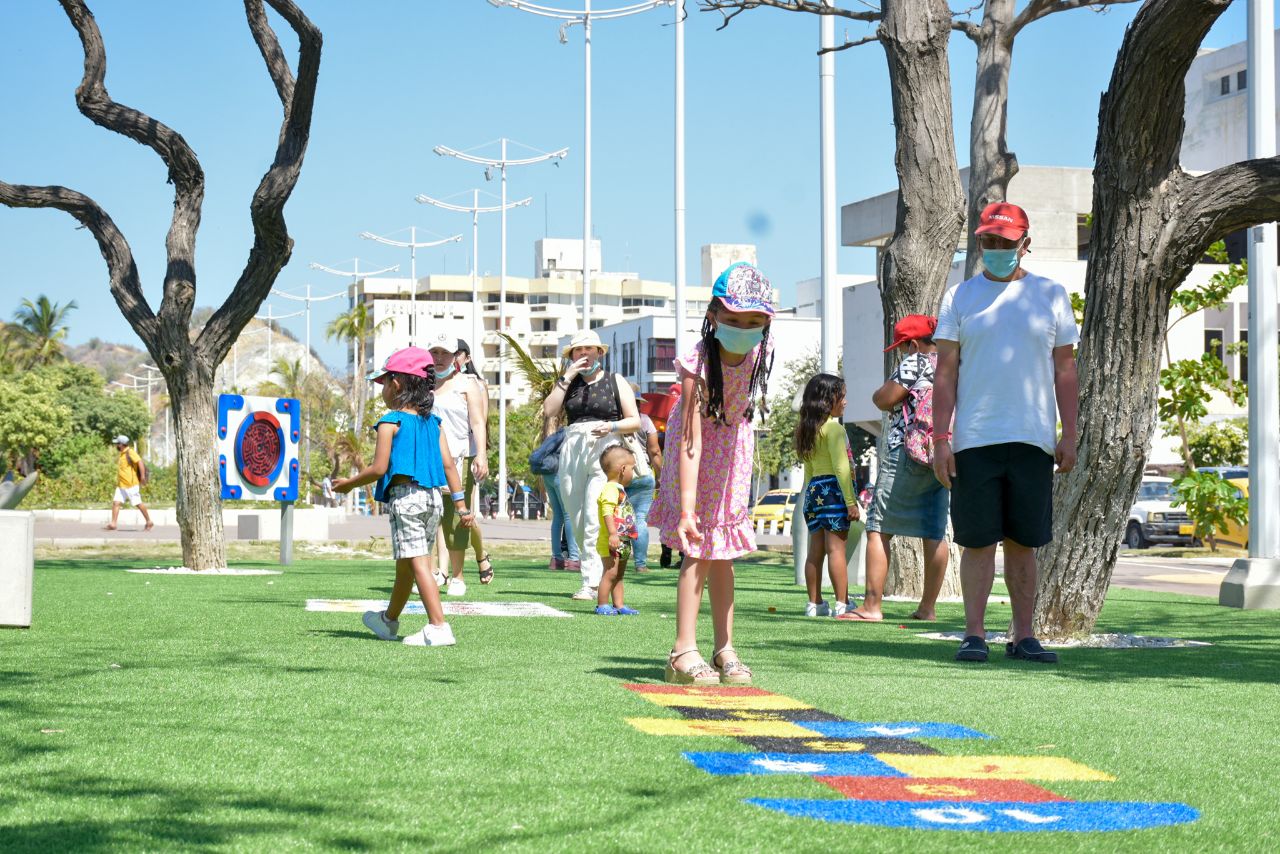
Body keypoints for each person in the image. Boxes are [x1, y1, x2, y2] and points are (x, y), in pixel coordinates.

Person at [932, 202, 1079, 664]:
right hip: (974, 440)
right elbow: (945, 373)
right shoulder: (959, 298)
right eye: (988, 242)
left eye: (1005, 242)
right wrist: (940, 439)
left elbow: (1066, 369)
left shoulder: (1052, 295)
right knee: (976, 542)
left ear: (1025, 244)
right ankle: (973, 634)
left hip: (1034, 439)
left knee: (1024, 542)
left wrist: (1069, 432)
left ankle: (1023, 635)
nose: (996, 249)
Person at [650, 262, 775, 685]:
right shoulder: (697, 362)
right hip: (695, 460)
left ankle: (725, 647)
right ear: (713, 315)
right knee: (699, 550)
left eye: (753, 321)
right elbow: (689, 438)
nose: (743, 328)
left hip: (732, 458)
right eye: (734, 319)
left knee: (725, 555)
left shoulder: (759, 353)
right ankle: (682, 649)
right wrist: (686, 509)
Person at [333, 346, 474, 647]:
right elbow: (449, 465)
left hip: (406, 499)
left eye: (384, 382)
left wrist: (349, 484)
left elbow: (378, 468)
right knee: (406, 564)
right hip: (434, 499)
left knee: (419, 562)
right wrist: (460, 505)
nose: (382, 388)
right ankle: (388, 621)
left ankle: (438, 626)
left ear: (397, 383)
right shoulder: (433, 423)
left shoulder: (390, 422)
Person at [842, 315, 950, 623]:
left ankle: (872, 606)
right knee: (934, 531)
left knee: (879, 527)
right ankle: (928, 608)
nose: (901, 353)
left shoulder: (915, 362)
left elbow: (883, 398)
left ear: (913, 344)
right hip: (940, 454)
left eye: (902, 347)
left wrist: (883, 395)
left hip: (905, 451)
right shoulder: (953, 362)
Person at [541, 329, 642, 601]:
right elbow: (550, 411)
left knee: (593, 517)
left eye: (589, 349)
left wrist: (610, 425)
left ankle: (592, 582)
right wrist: (566, 377)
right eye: (578, 350)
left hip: (605, 447)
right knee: (575, 514)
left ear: (600, 352)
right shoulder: (569, 383)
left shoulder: (614, 380)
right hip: (573, 446)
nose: (584, 354)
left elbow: (635, 420)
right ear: (571, 355)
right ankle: (592, 574)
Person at [424, 332, 492, 596]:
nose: (439, 358)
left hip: (459, 457)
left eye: (445, 353)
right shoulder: (423, 384)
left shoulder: (467, 384)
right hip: (427, 459)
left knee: (457, 517)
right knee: (428, 515)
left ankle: (458, 576)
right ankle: (431, 574)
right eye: (435, 353)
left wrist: (481, 456)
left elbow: (477, 422)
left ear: (455, 357)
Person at [795, 373, 861, 617]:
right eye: (841, 396)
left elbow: (808, 470)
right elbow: (841, 468)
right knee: (837, 550)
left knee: (815, 550)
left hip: (813, 492)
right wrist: (850, 502)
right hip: (834, 492)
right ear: (827, 399)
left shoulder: (808, 430)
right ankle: (842, 603)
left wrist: (810, 498)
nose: (844, 401)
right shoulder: (835, 429)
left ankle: (814, 604)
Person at [595, 445, 641, 616]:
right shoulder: (610, 489)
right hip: (612, 542)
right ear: (622, 469)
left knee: (619, 574)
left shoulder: (619, 489)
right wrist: (613, 534)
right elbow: (607, 511)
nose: (633, 473)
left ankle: (619, 605)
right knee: (610, 573)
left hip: (623, 541)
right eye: (632, 468)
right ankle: (602, 604)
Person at [626, 392, 663, 572]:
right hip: (642, 473)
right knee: (639, 519)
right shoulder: (645, 420)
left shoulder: (614, 420)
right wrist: (660, 474)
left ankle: (618, 563)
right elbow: (654, 450)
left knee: (618, 519)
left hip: (618, 474)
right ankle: (640, 564)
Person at [106, 435, 153, 532]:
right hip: (121, 485)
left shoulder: (130, 452)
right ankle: (113, 524)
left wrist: (143, 477)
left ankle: (149, 521)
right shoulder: (122, 454)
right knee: (116, 503)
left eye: (117, 444)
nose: (116, 446)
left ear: (122, 444)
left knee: (138, 503)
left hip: (131, 484)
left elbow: (140, 462)